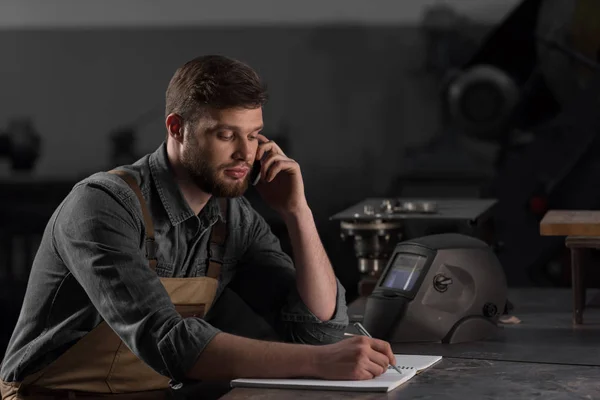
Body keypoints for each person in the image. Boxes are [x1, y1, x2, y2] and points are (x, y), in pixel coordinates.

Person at [0, 55, 396, 399]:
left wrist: (297, 212)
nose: (245, 153)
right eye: (226, 135)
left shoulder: (233, 217)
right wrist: (320, 364)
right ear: (176, 128)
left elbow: (316, 330)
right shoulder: (102, 206)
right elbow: (169, 343)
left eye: (254, 135)